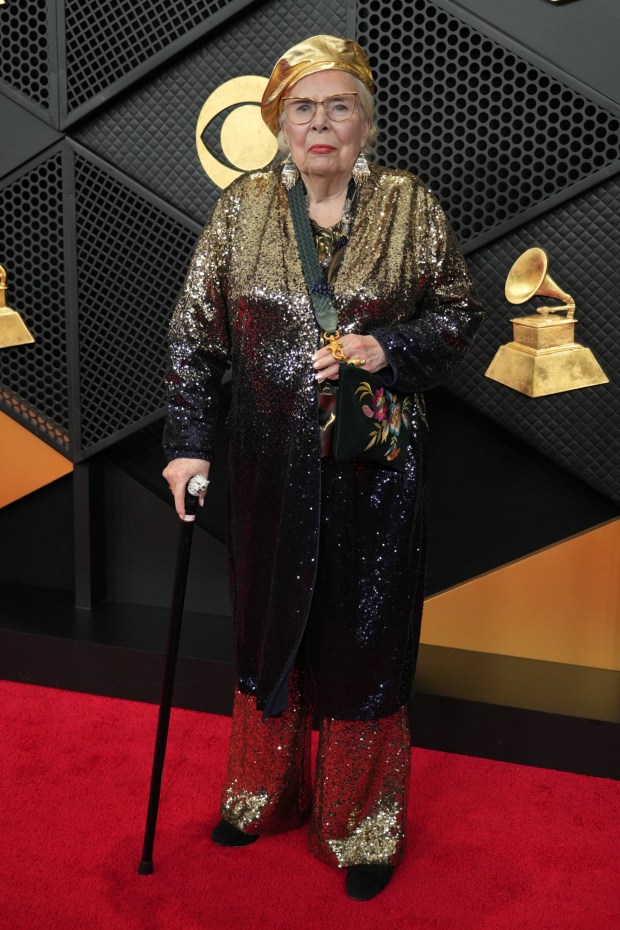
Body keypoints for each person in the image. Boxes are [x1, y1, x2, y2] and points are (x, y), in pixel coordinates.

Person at [162, 35, 483, 901]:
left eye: (339, 106)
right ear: (277, 120)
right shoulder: (241, 211)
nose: (320, 123)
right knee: (269, 626)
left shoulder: (409, 205)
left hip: (374, 473)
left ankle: (361, 823)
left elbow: (458, 314)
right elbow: (197, 340)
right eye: (302, 107)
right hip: (266, 469)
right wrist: (188, 444)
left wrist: (388, 348)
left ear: (365, 121)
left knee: (363, 639)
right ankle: (261, 792)